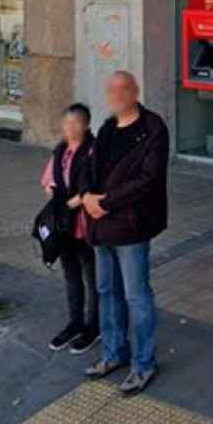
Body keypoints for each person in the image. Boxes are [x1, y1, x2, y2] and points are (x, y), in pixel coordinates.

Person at [81, 71, 169, 395]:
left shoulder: (152, 128)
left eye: (123, 89)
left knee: (136, 295)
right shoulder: (106, 128)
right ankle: (113, 353)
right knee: (107, 292)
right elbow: (89, 170)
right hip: (101, 225)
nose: (117, 94)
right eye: (112, 90)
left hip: (131, 225)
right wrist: (88, 196)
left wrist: (105, 202)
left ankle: (144, 363)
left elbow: (149, 179)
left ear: (136, 91)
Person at [41, 103, 100, 354]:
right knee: (71, 275)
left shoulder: (93, 151)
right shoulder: (61, 151)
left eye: (75, 123)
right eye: (66, 123)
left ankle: (93, 326)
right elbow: (47, 181)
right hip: (64, 226)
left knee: (91, 276)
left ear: (86, 125)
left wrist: (71, 202)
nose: (70, 128)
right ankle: (74, 322)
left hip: (85, 224)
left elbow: (95, 186)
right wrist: (54, 193)